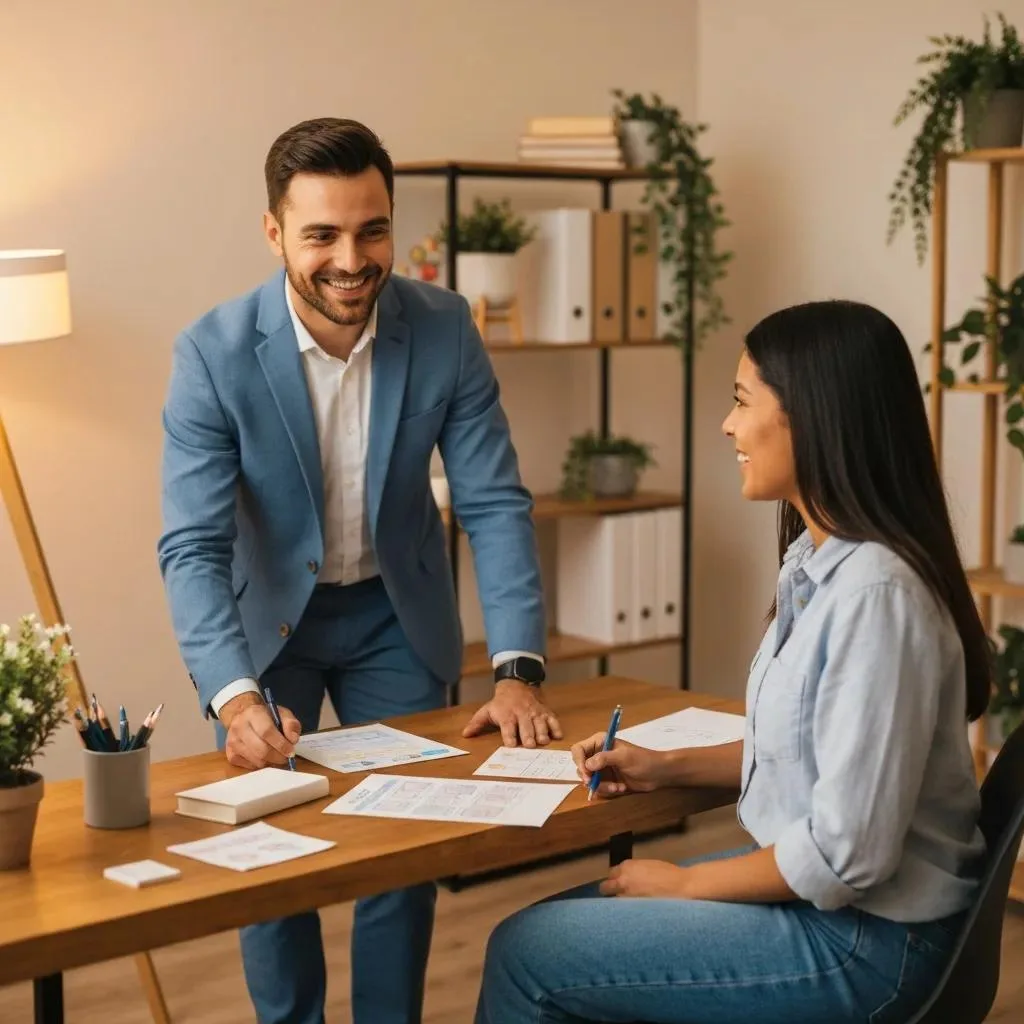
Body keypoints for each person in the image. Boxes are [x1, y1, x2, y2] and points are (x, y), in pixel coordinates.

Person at [473, 299, 991, 1024]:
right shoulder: (821, 567)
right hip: (837, 919)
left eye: (743, 401)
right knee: (560, 931)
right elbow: (816, 750)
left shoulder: (878, 596)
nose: (727, 425)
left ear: (814, 418)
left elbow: (848, 855)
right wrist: (665, 765)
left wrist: (691, 886)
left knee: (528, 953)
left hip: (864, 944)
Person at [157, 117, 561, 1024]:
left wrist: (518, 668)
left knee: (402, 848)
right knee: (273, 846)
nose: (352, 257)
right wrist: (234, 697)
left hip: (395, 614)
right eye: (322, 235)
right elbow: (194, 545)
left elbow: (493, 501)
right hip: (270, 628)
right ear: (274, 234)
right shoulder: (213, 354)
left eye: (371, 229)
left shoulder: (446, 325)